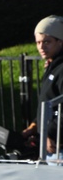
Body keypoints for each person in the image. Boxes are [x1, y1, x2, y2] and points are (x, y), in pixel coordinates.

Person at [21, 15, 63, 157]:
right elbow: (49, 100)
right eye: (38, 42)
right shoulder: (52, 66)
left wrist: (51, 134)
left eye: (47, 42)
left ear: (60, 42)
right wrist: (35, 126)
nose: (41, 47)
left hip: (58, 146)